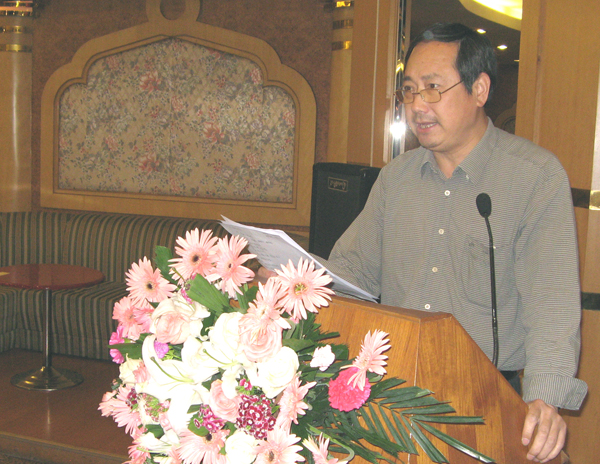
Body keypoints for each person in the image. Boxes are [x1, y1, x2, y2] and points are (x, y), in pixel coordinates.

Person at [309, 23, 587, 463]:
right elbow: (354, 271)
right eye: (409, 90)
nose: (417, 105)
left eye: (433, 88)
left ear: (479, 89)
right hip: (391, 395)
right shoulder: (396, 178)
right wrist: (295, 277)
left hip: (486, 398)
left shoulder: (534, 177)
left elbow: (551, 305)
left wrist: (545, 400)